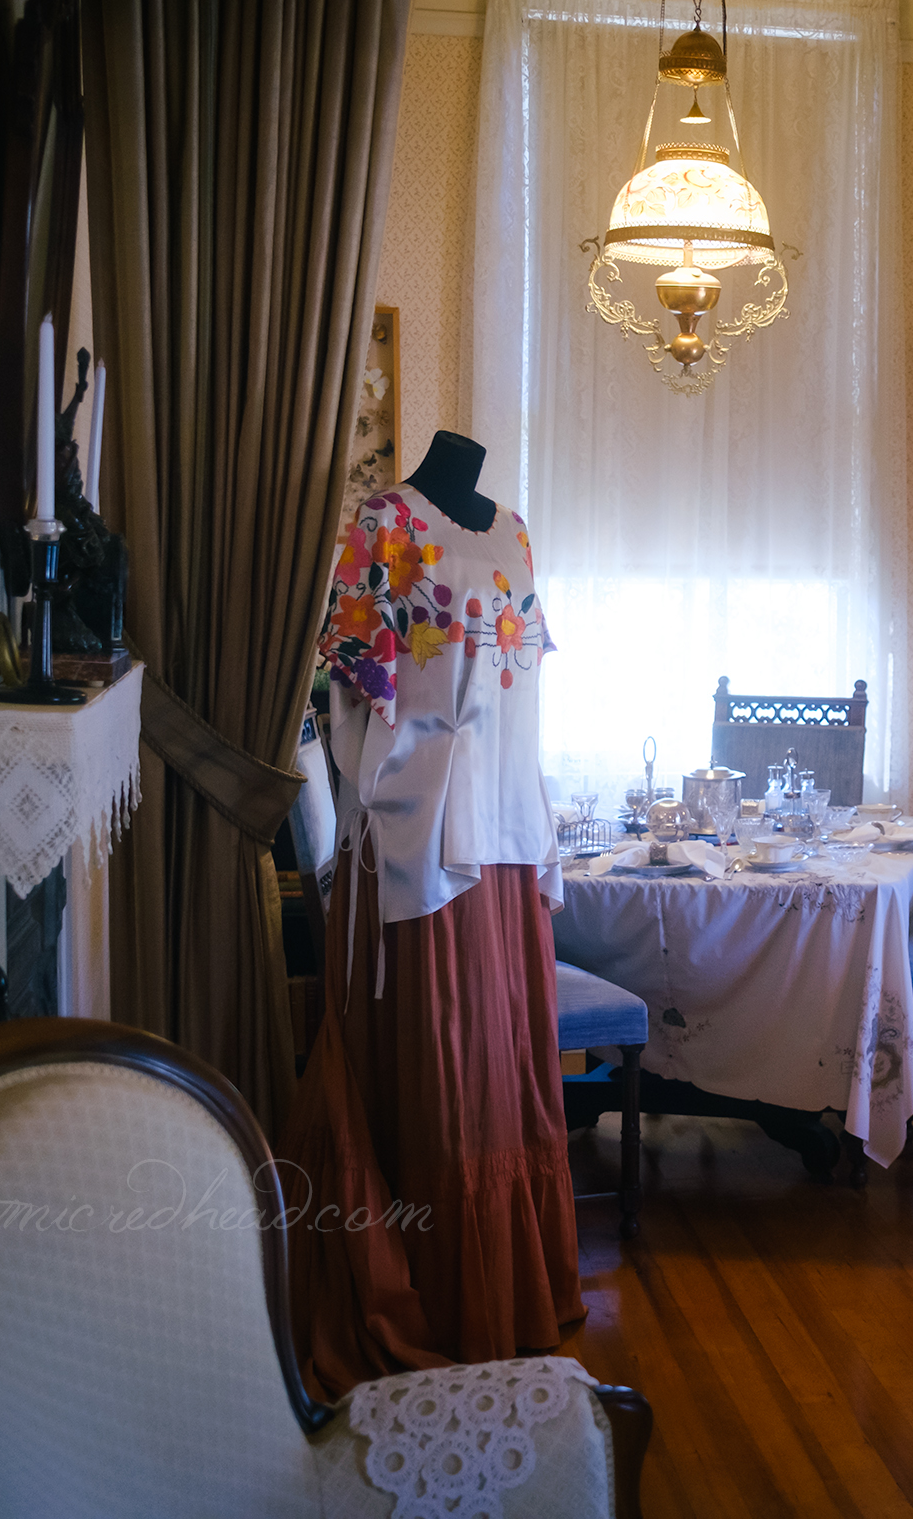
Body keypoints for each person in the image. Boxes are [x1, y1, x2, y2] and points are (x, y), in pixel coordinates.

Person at [279, 431, 582, 1396]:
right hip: (426, 841)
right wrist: (390, 799)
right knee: (446, 1074)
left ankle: (510, 1287)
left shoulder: (519, 536)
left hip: (504, 835)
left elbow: (525, 685)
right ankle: (441, 1292)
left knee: (504, 1072)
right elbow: (349, 691)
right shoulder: (385, 523)